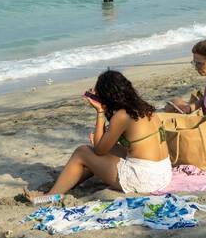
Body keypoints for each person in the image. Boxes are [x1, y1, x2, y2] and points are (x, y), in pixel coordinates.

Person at [23, 70, 171, 203]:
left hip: (145, 180)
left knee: (82, 152)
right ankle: (64, 186)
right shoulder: (144, 108)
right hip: (163, 173)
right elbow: (113, 146)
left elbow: (99, 150)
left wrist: (100, 112)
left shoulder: (122, 116)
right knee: (97, 155)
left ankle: (51, 195)